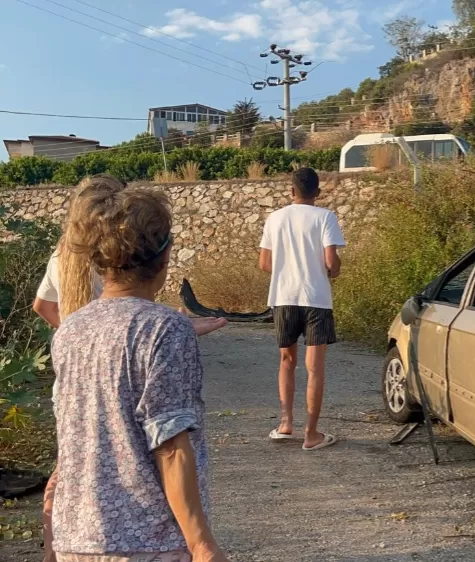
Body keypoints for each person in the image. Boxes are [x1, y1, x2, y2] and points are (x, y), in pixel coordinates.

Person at [42, 187, 228, 562]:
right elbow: (170, 445)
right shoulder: (164, 328)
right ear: (164, 258)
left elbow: (72, 440)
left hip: (76, 537)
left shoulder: (70, 330)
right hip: (148, 540)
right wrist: (202, 544)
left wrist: (51, 539)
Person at [33, 174, 227, 336]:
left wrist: (77, 336)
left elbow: (42, 307)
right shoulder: (116, 258)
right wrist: (171, 330)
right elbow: (130, 320)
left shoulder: (60, 256)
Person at [258, 167, 344, 451]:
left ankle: (285, 424)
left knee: (287, 361)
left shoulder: (275, 218)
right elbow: (331, 263)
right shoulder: (326, 217)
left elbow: (264, 264)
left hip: (284, 297)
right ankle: (311, 434)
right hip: (316, 298)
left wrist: (288, 268)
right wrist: (331, 268)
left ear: (291, 191)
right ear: (317, 192)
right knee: (314, 368)